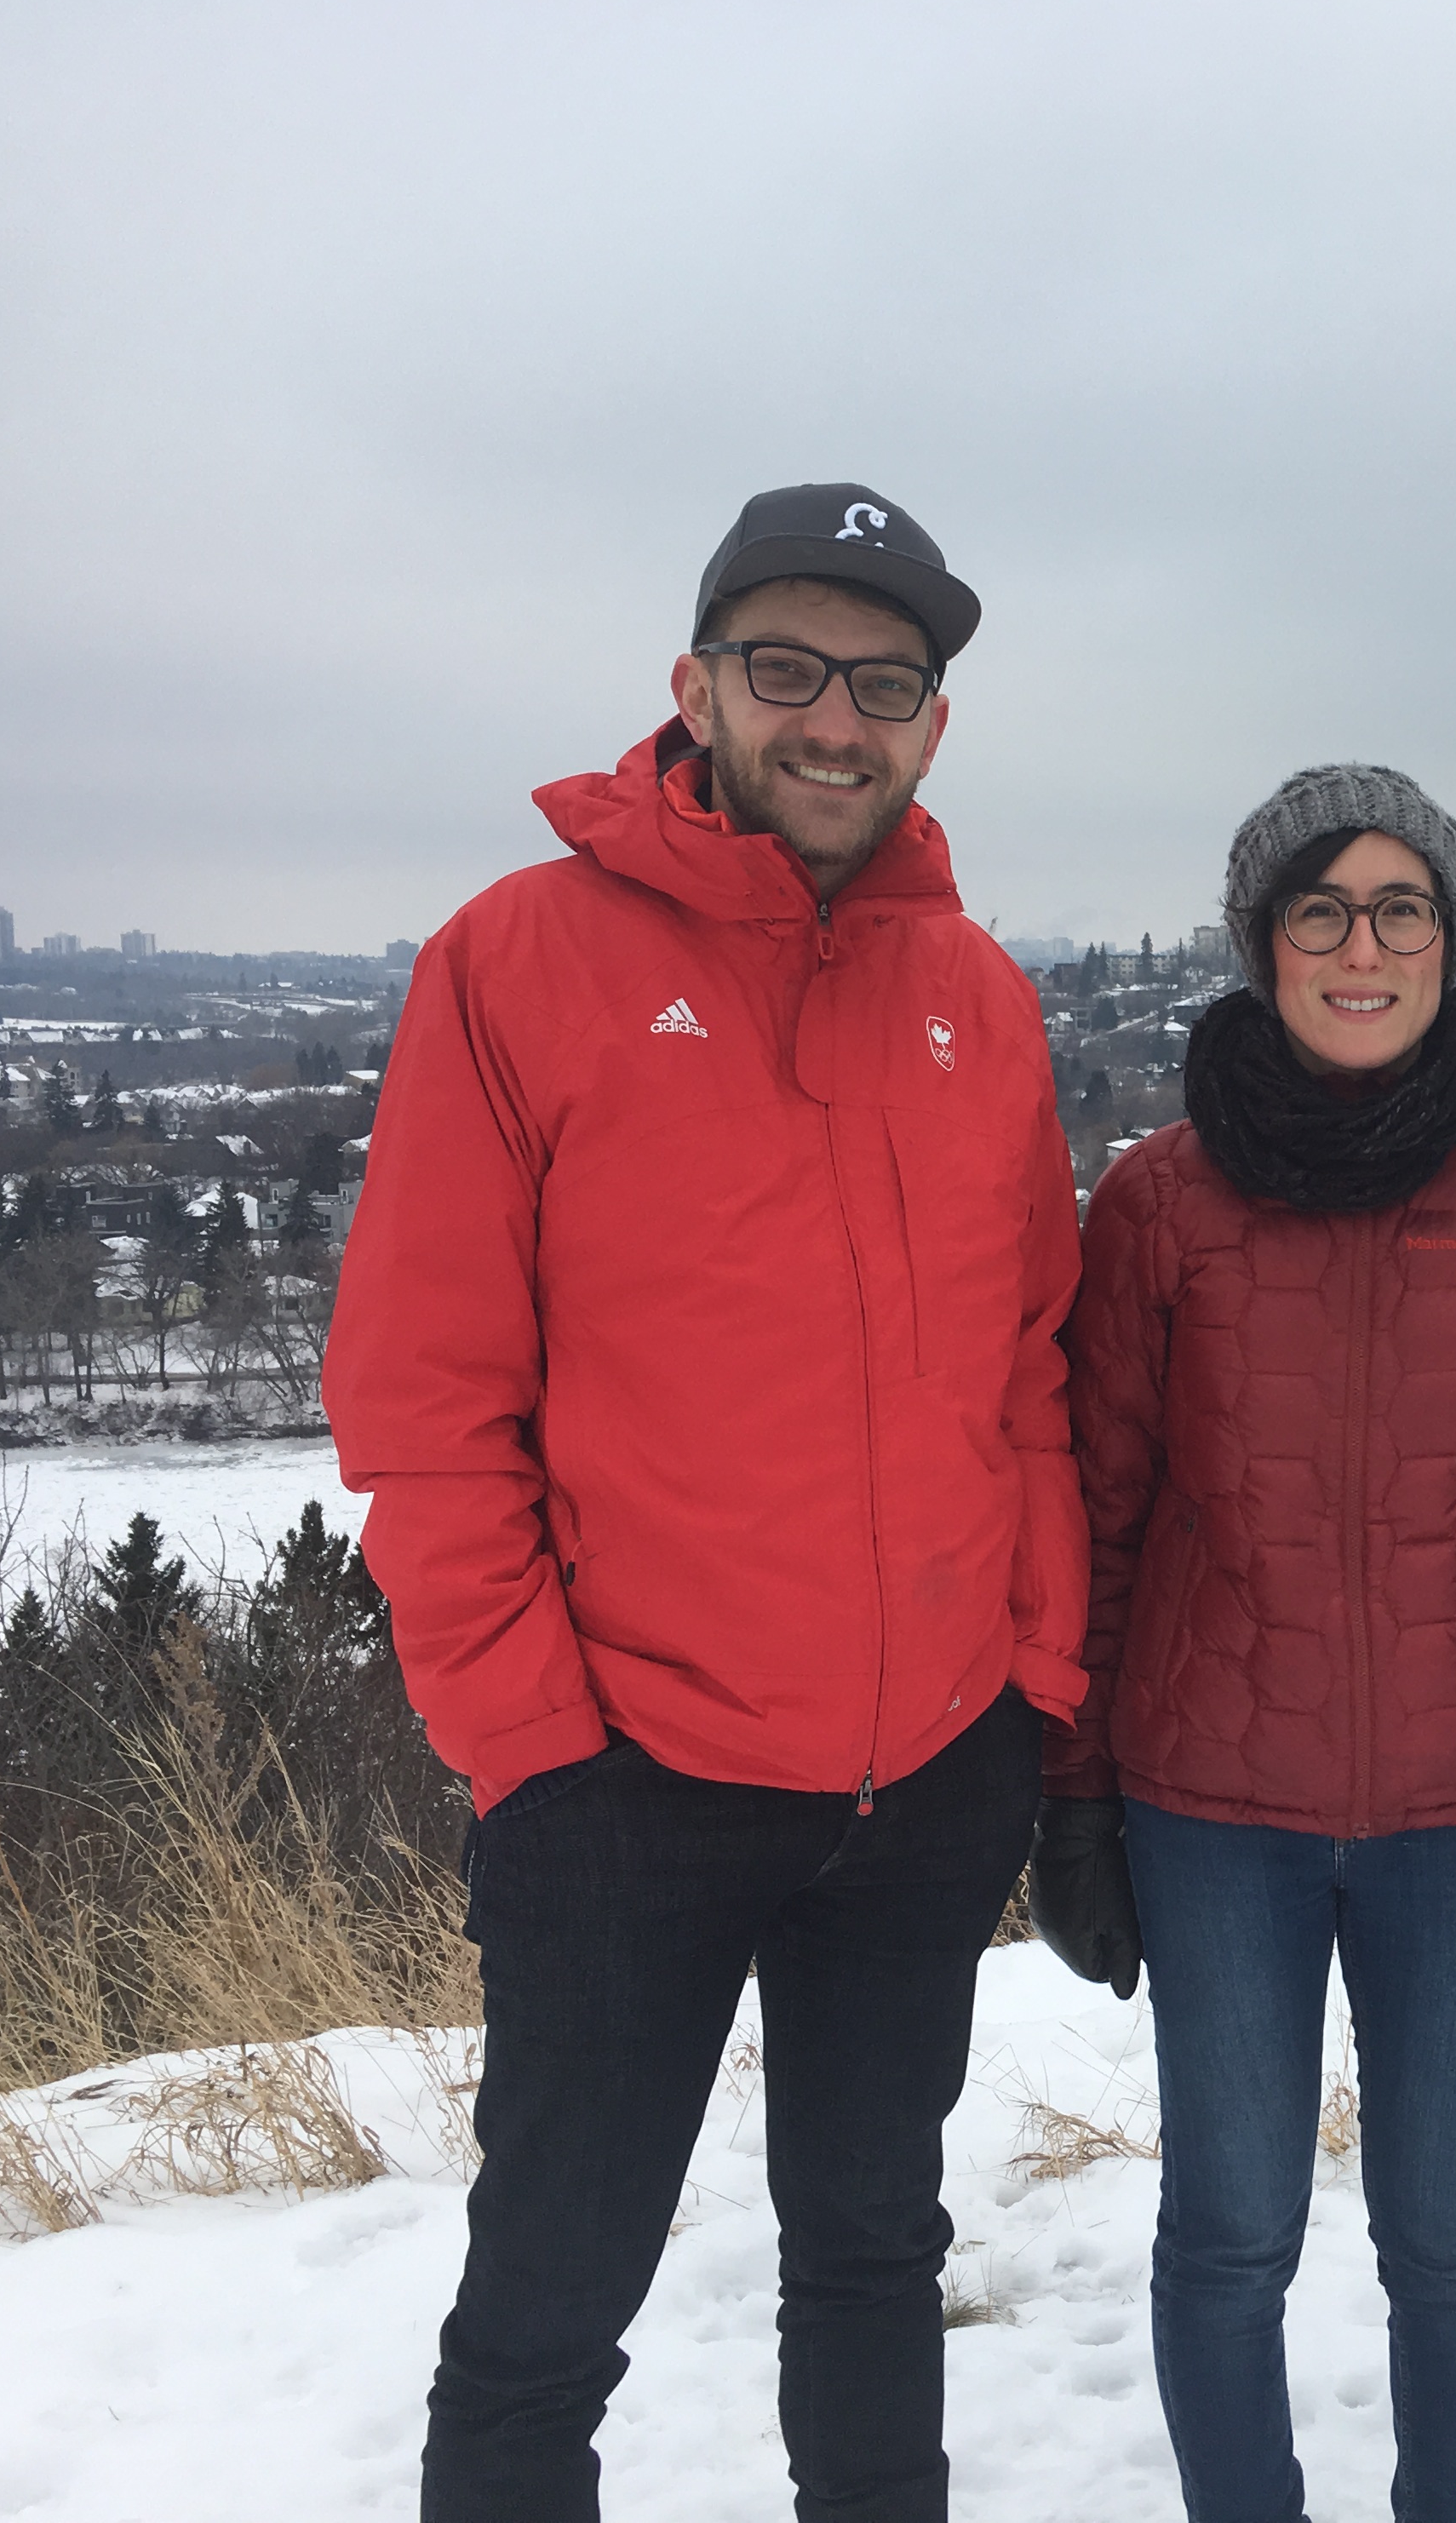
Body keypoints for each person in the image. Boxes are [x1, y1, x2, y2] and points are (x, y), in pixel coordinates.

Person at [325, 483, 1084, 2523]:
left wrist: (1026, 1682)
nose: (835, 721)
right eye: (788, 670)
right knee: (549, 2305)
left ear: (933, 724)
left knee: (875, 2256)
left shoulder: (979, 994)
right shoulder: (519, 960)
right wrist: (534, 1749)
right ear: (697, 685)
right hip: (628, 1780)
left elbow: (1029, 1369)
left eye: (884, 685)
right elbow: (424, 1397)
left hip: (928, 1774)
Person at [1031, 764, 1456, 2523]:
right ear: (1262, 942)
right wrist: (1076, 1798)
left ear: (1452, 937)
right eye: (1322, 912)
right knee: (1228, 2233)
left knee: (1451, 2232)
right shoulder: (1159, 1201)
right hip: (1214, 1812)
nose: (1362, 949)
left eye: (1400, 910)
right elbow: (1102, 1519)